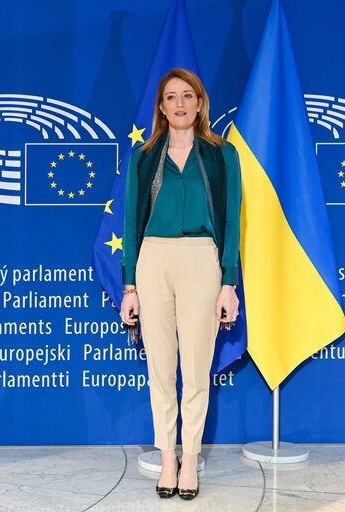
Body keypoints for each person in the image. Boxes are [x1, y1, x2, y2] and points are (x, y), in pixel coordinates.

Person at [119, 68, 241, 501]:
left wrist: (229, 282)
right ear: (161, 106)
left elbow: (230, 221)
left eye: (188, 95)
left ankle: (190, 460)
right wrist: (129, 286)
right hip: (153, 260)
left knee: (195, 370)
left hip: (201, 259)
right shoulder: (144, 157)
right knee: (160, 371)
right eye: (171, 97)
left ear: (200, 102)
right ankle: (166, 458)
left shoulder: (222, 154)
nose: (180, 104)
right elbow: (132, 223)